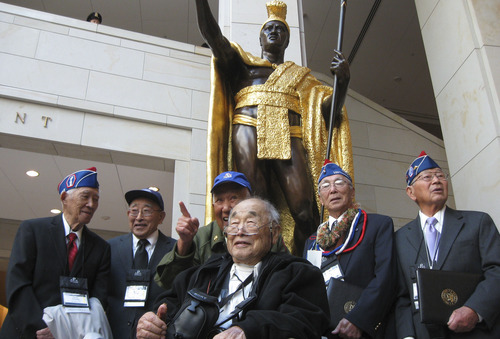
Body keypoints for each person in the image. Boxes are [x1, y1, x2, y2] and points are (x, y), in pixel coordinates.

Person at [197, 0, 354, 255]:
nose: (273, 32)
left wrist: (343, 83)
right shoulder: (244, 66)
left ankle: (308, 265)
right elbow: (212, 35)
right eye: (268, 29)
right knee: (257, 204)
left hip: (289, 136)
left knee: (304, 209)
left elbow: (327, 113)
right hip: (248, 130)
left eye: (280, 30)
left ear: (287, 40)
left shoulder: (302, 78)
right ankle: (262, 266)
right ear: (260, 38)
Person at [137, 197, 330, 339]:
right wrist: (150, 323)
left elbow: (305, 322)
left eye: (251, 223)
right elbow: (164, 308)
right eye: (234, 223)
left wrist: (248, 330)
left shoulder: (297, 274)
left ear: (274, 232)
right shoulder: (203, 273)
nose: (240, 231)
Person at [395, 151, 500, 338]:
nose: (436, 181)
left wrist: (475, 310)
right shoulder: (400, 238)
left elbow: (496, 270)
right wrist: (407, 335)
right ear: (410, 192)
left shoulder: (477, 223)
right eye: (427, 177)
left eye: (440, 175)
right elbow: (401, 295)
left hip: (475, 332)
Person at [0, 167, 110, 338]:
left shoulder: (101, 247)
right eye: (85, 196)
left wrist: (68, 330)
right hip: (27, 331)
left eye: (96, 199)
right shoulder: (33, 231)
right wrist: (42, 327)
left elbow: (99, 297)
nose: (91, 204)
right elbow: (18, 284)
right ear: (64, 198)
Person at [304, 160, 396, 339]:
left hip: (365, 327)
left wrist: (359, 319)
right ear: (321, 199)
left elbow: (386, 277)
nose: (333, 190)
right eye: (325, 186)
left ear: (352, 192)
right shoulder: (313, 241)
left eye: (339, 183)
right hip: (324, 330)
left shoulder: (377, 225)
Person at [154, 171, 287, 290]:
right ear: (213, 206)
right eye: (219, 200)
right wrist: (184, 243)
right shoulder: (202, 237)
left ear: (249, 201)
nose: (226, 207)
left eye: (234, 198)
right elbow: (169, 284)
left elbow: (284, 277)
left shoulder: (267, 234)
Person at [107, 188, 175, 338]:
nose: (139, 217)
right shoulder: (110, 248)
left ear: (161, 217)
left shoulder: (175, 251)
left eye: (146, 211)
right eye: (134, 211)